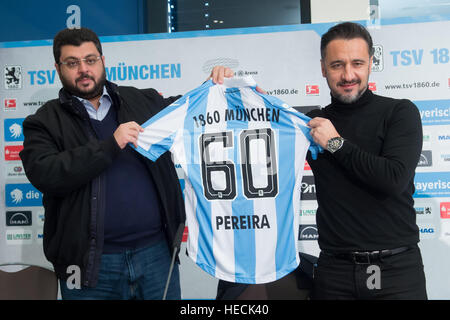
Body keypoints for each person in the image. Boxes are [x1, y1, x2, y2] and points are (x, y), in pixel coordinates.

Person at [19, 27, 232, 300]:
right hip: (87, 265)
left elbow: (187, 113)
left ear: (103, 61)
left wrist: (212, 88)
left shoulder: (142, 100)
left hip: (155, 254)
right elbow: (45, 173)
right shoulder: (43, 121)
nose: (83, 69)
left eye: (90, 60)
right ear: (57, 68)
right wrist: (111, 144)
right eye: (72, 63)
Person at [306, 22, 427, 299]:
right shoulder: (312, 123)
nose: (348, 74)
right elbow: (256, 126)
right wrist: (223, 87)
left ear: (371, 63)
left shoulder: (400, 112)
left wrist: (334, 143)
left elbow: (392, 179)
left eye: (357, 63)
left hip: (397, 272)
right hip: (334, 272)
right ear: (323, 68)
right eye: (337, 65)